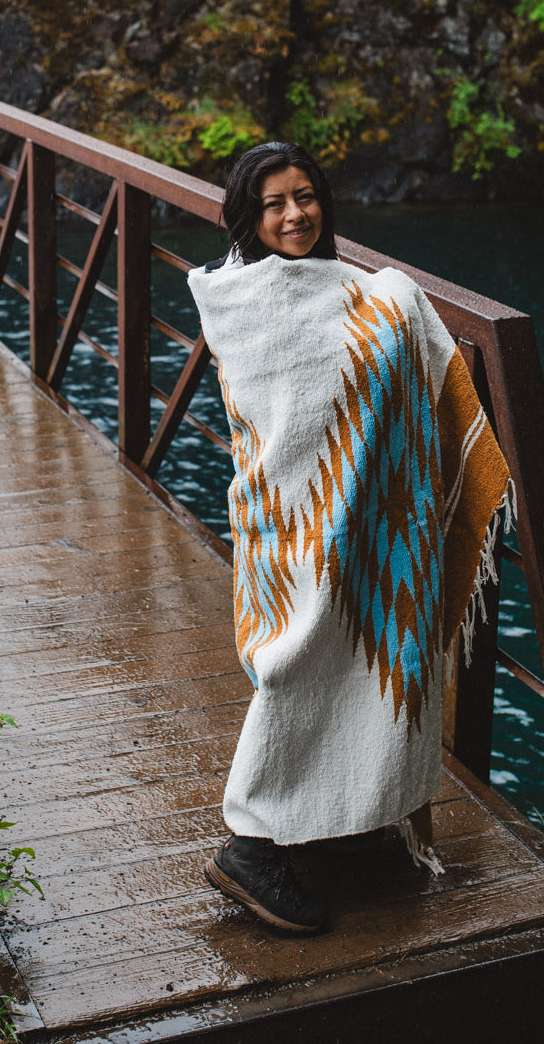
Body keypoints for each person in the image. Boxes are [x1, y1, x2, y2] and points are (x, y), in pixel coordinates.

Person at [187, 142, 512, 935]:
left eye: (307, 196)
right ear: (248, 216)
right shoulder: (239, 298)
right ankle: (251, 843)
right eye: (275, 203)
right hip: (289, 519)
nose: (296, 214)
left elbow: (359, 353)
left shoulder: (354, 292)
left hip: (359, 520)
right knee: (299, 661)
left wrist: (391, 298)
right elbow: (285, 405)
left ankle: (355, 814)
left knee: (373, 656)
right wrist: (397, 295)